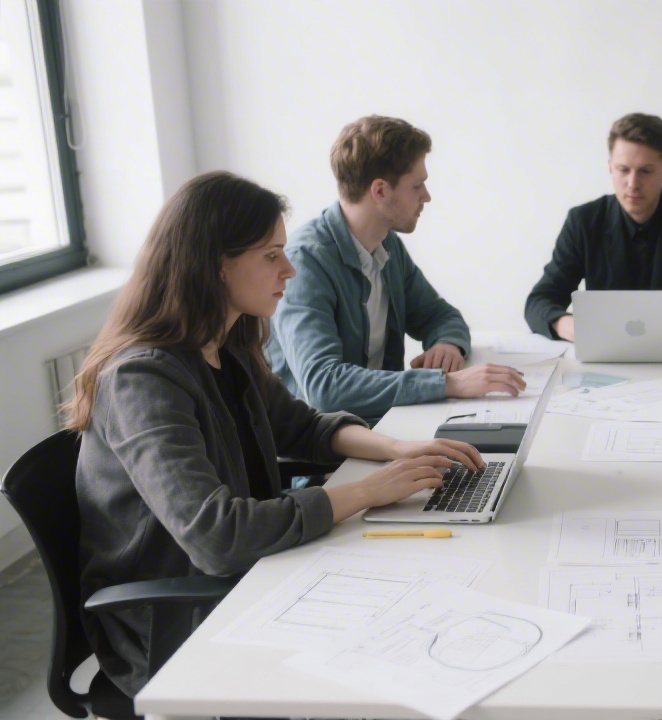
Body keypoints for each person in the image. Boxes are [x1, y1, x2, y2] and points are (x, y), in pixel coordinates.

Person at [69, 172, 486, 697]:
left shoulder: (227, 344)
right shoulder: (142, 379)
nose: (288, 270)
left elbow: (301, 425)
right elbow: (216, 537)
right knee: (408, 646)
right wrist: (367, 492)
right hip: (177, 623)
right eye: (271, 256)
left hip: (250, 579)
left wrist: (398, 449)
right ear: (214, 264)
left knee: (429, 598)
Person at [269, 115, 524, 423]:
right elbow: (325, 387)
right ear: (380, 191)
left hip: (386, 427)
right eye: (417, 185)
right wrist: (448, 384)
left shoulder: (386, 245)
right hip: (328, 457)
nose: (426, 196)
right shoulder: (306, 261)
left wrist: (447, 344)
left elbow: (440, 315)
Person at [524, 112, 662, 346]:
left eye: (645, 171)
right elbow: (540, 301)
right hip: (606, 358)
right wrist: (569, 326)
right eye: (623, 169)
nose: (632, 183)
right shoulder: (583, 221)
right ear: (610, 168)